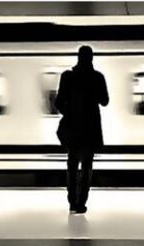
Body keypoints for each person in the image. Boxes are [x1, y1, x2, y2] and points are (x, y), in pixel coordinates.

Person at [55, 45, 109, 214]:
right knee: (86, 167)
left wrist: (70, 114)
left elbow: (58, 103)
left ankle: (72, 201)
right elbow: (105, 101)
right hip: (90, 130)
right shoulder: (97, 77)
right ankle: (81, 202)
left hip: (73, 130)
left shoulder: (68, 77)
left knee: (72, 166)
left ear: (78, 57)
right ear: (91, 58)